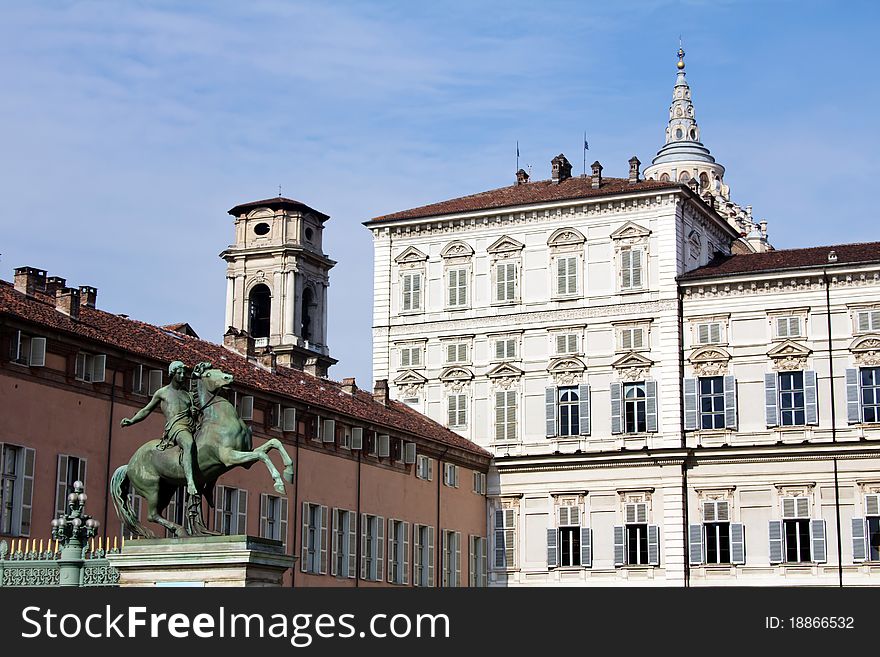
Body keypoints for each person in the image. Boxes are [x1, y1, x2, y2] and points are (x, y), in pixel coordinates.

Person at [120, 361, 199, 496]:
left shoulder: (188, 394)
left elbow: (195, 412)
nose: (182, 376)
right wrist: (132, 421)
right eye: (179, 373)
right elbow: (146, 410)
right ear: (172, 374)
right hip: (176, 427)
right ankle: (190, 482)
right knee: (188, 443)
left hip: (192, 425)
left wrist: (194, 411)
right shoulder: (162, 393)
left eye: (183, 373)